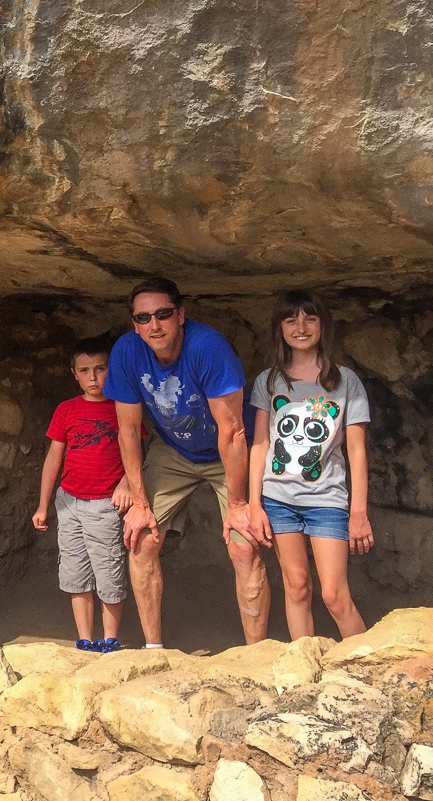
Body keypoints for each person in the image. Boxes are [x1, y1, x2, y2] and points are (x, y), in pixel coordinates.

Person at [104, 277, 272, 648]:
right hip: (174, 450)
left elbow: (232, 432)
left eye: (163, 314)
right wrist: (139, 500)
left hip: (225, 451)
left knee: (244, 544)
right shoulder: (127, 351)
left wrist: (240, 504)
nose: (154, 325)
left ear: (181, 315)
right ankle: (153, 649)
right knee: (141, 538)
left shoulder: (207, 347)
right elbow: (128, 430)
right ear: (134, 323)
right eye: (143, 317)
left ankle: (255, 653)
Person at [248, 290, 372, 639]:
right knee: (297, 587)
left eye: (310, 318)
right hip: (279, 499)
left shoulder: (345, 381)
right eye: (291, 320)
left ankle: (367, 670)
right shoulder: (269, 381)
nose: (300, 327)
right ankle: (303, 673)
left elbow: (357, 451)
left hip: (327, 500)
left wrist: (358, 512)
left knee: (334, 595)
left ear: (323, 325)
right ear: (280, 329)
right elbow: (260, 445)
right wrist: (255, 503)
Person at [32, 337, 133, 652]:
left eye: (100, 369)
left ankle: (110, 638)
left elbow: (139, 450)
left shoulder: (124, 406)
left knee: (108, 567)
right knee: (75, 569)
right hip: (70, 501)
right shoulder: (67, 410)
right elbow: (54, 457)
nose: (93, 378)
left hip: (105, 503)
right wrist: (43, 504)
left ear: (111, 370)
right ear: (74, 373)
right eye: (85, 370)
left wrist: (127, 483)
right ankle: (85, 639)